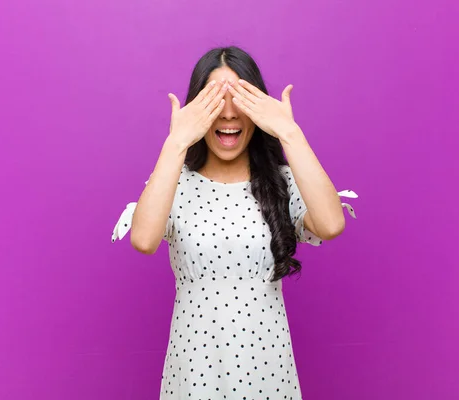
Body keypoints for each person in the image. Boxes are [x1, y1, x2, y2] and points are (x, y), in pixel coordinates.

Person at [115, 46, 357, 399]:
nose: (228, 113)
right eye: (215, 100)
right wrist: (177, 141)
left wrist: (289, 133)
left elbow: (332, 225)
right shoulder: (174, 182)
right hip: (194, 373)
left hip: (267, 371)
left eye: (240, 99)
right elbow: (144, 239)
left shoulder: (282, 183)